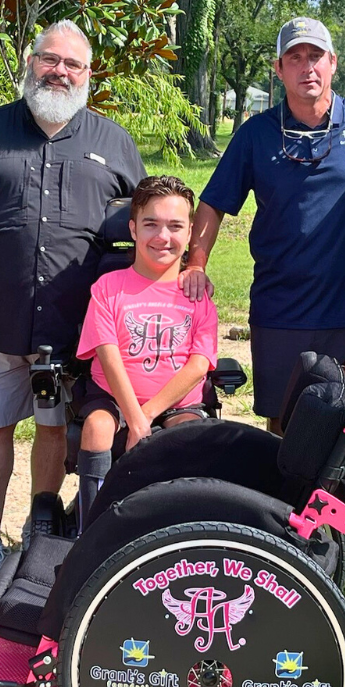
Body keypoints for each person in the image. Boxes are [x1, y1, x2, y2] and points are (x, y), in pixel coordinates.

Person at [0, 20, 146, 587]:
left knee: (53, 430)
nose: (60, 71)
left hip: (73, 326)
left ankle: (41, 536)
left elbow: (147, 227)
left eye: (73, 64)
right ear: (30, 60)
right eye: (51, 59)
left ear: (89, 74)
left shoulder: (113, 141)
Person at [182, 17, 345, 434]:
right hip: (281, 308)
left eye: (316, 56)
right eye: (296, 58)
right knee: (284, 425)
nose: (308, 67)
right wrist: (195, 263)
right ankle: (281, 502)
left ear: (333, 63)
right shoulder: (256, 134)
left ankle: (339, 502)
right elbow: (213, 203)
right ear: (280, 69)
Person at [75, 176, 218, 524]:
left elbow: (199, 365)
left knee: (190, 436)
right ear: (133, 229)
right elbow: (107, 356)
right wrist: (135, 418)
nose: (162, 236)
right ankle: (90, 526)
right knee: (96, 427)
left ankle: (182, 524)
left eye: (175, 226)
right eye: (150, 224)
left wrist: (148, 415)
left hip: (177, 403)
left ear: (189, 234)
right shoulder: (108, 288)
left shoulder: (198, 294)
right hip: (113, 398)